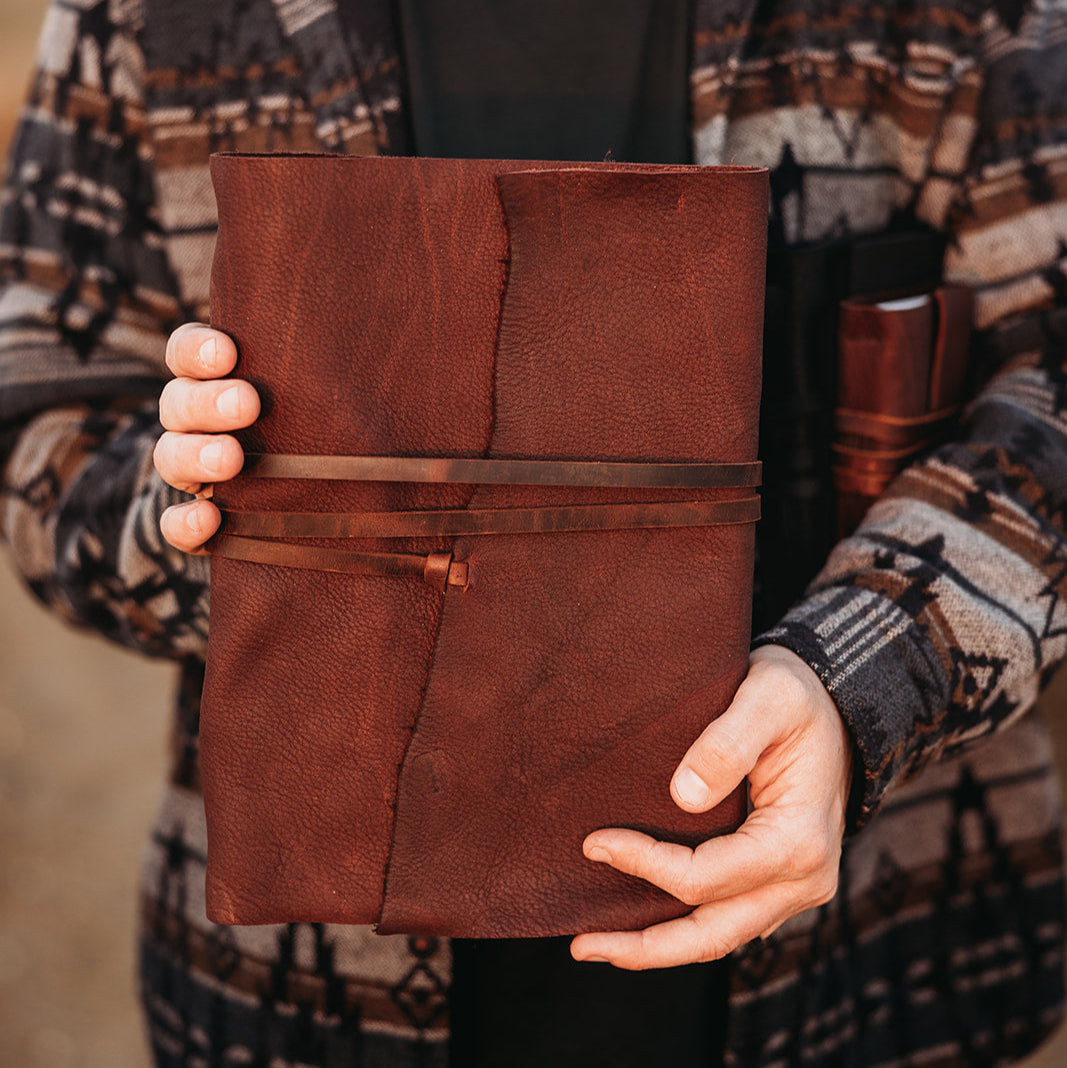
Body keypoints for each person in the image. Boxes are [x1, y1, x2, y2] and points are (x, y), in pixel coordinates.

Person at [1, 0, 1065, 1065]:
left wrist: (868, 679)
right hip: (311, 999)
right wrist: (203, 514)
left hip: (864, 960)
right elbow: (41, 429)